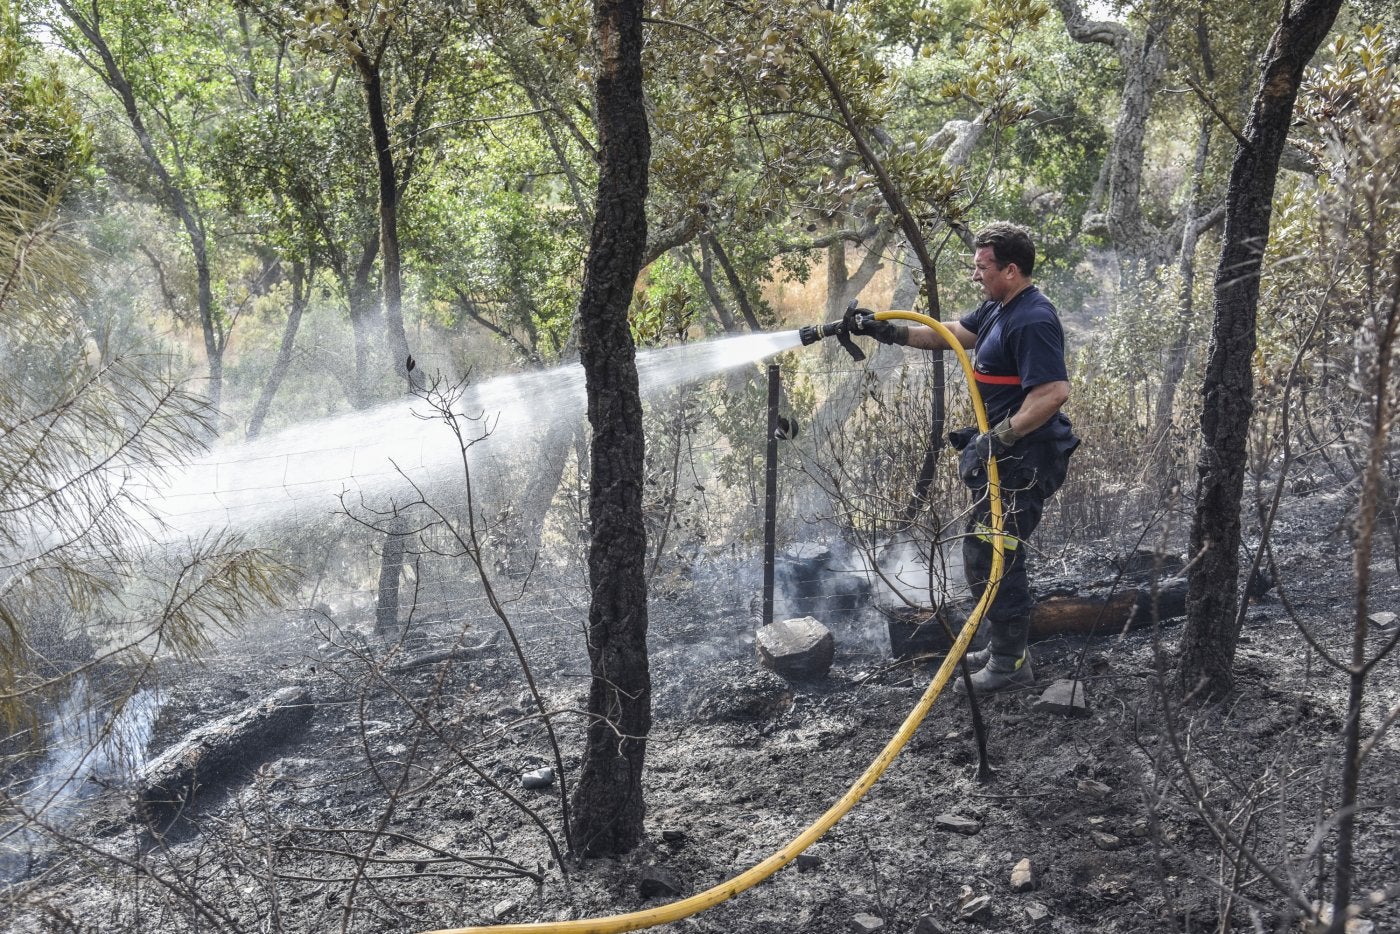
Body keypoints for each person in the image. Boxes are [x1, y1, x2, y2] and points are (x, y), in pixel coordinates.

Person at [848, 221, 1079, 692]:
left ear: (1011, 270)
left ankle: (1012, 664)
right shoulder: (999, 307)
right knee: (982, 554)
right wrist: (887, 332)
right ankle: (1003, 647)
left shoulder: (1032, 318)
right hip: (1005, 458)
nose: (976, 275)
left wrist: (1001, 437)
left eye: (982, 267)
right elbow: (950, 334)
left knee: (997, 555)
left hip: (1026, 460)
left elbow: (1054, 392)